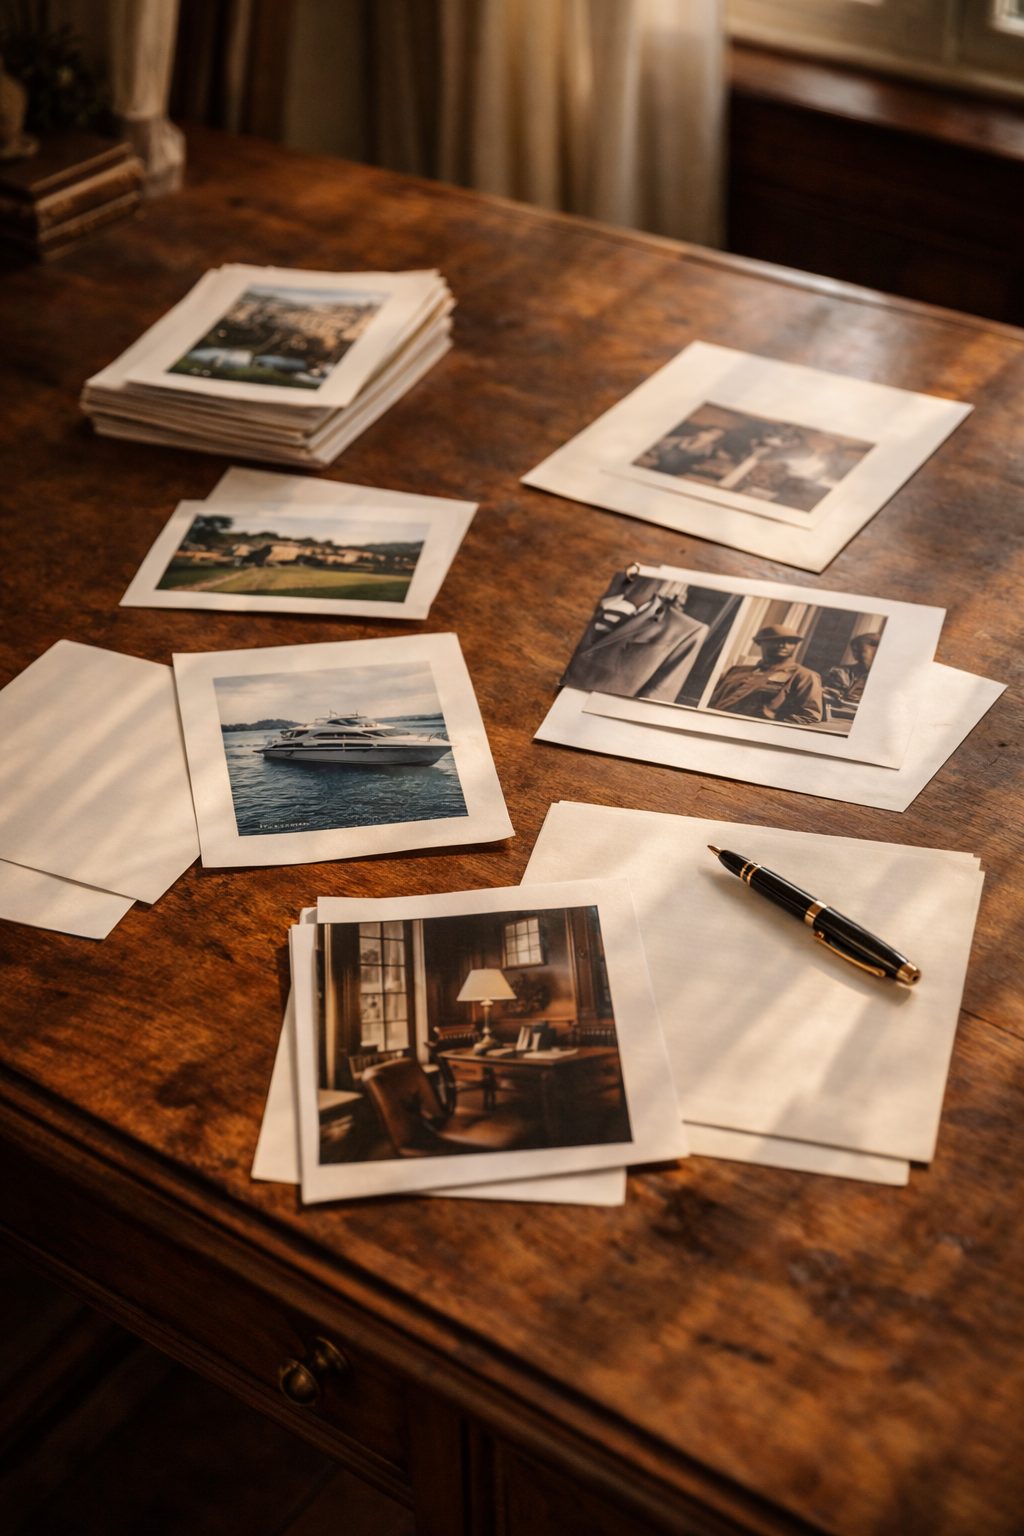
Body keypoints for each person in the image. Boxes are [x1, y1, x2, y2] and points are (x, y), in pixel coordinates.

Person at [708, 624, 822, 725]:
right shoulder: (737, 670)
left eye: (791, 642)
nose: (784, 645)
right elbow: (713, 699)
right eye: (776, 640)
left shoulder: (804, 676)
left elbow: (810, 716)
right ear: (759, 642)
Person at [823, 631, 881, 712]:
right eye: (854, 651)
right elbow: (828, 702)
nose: (856, 656)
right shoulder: (842, 673)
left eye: (860, 651)